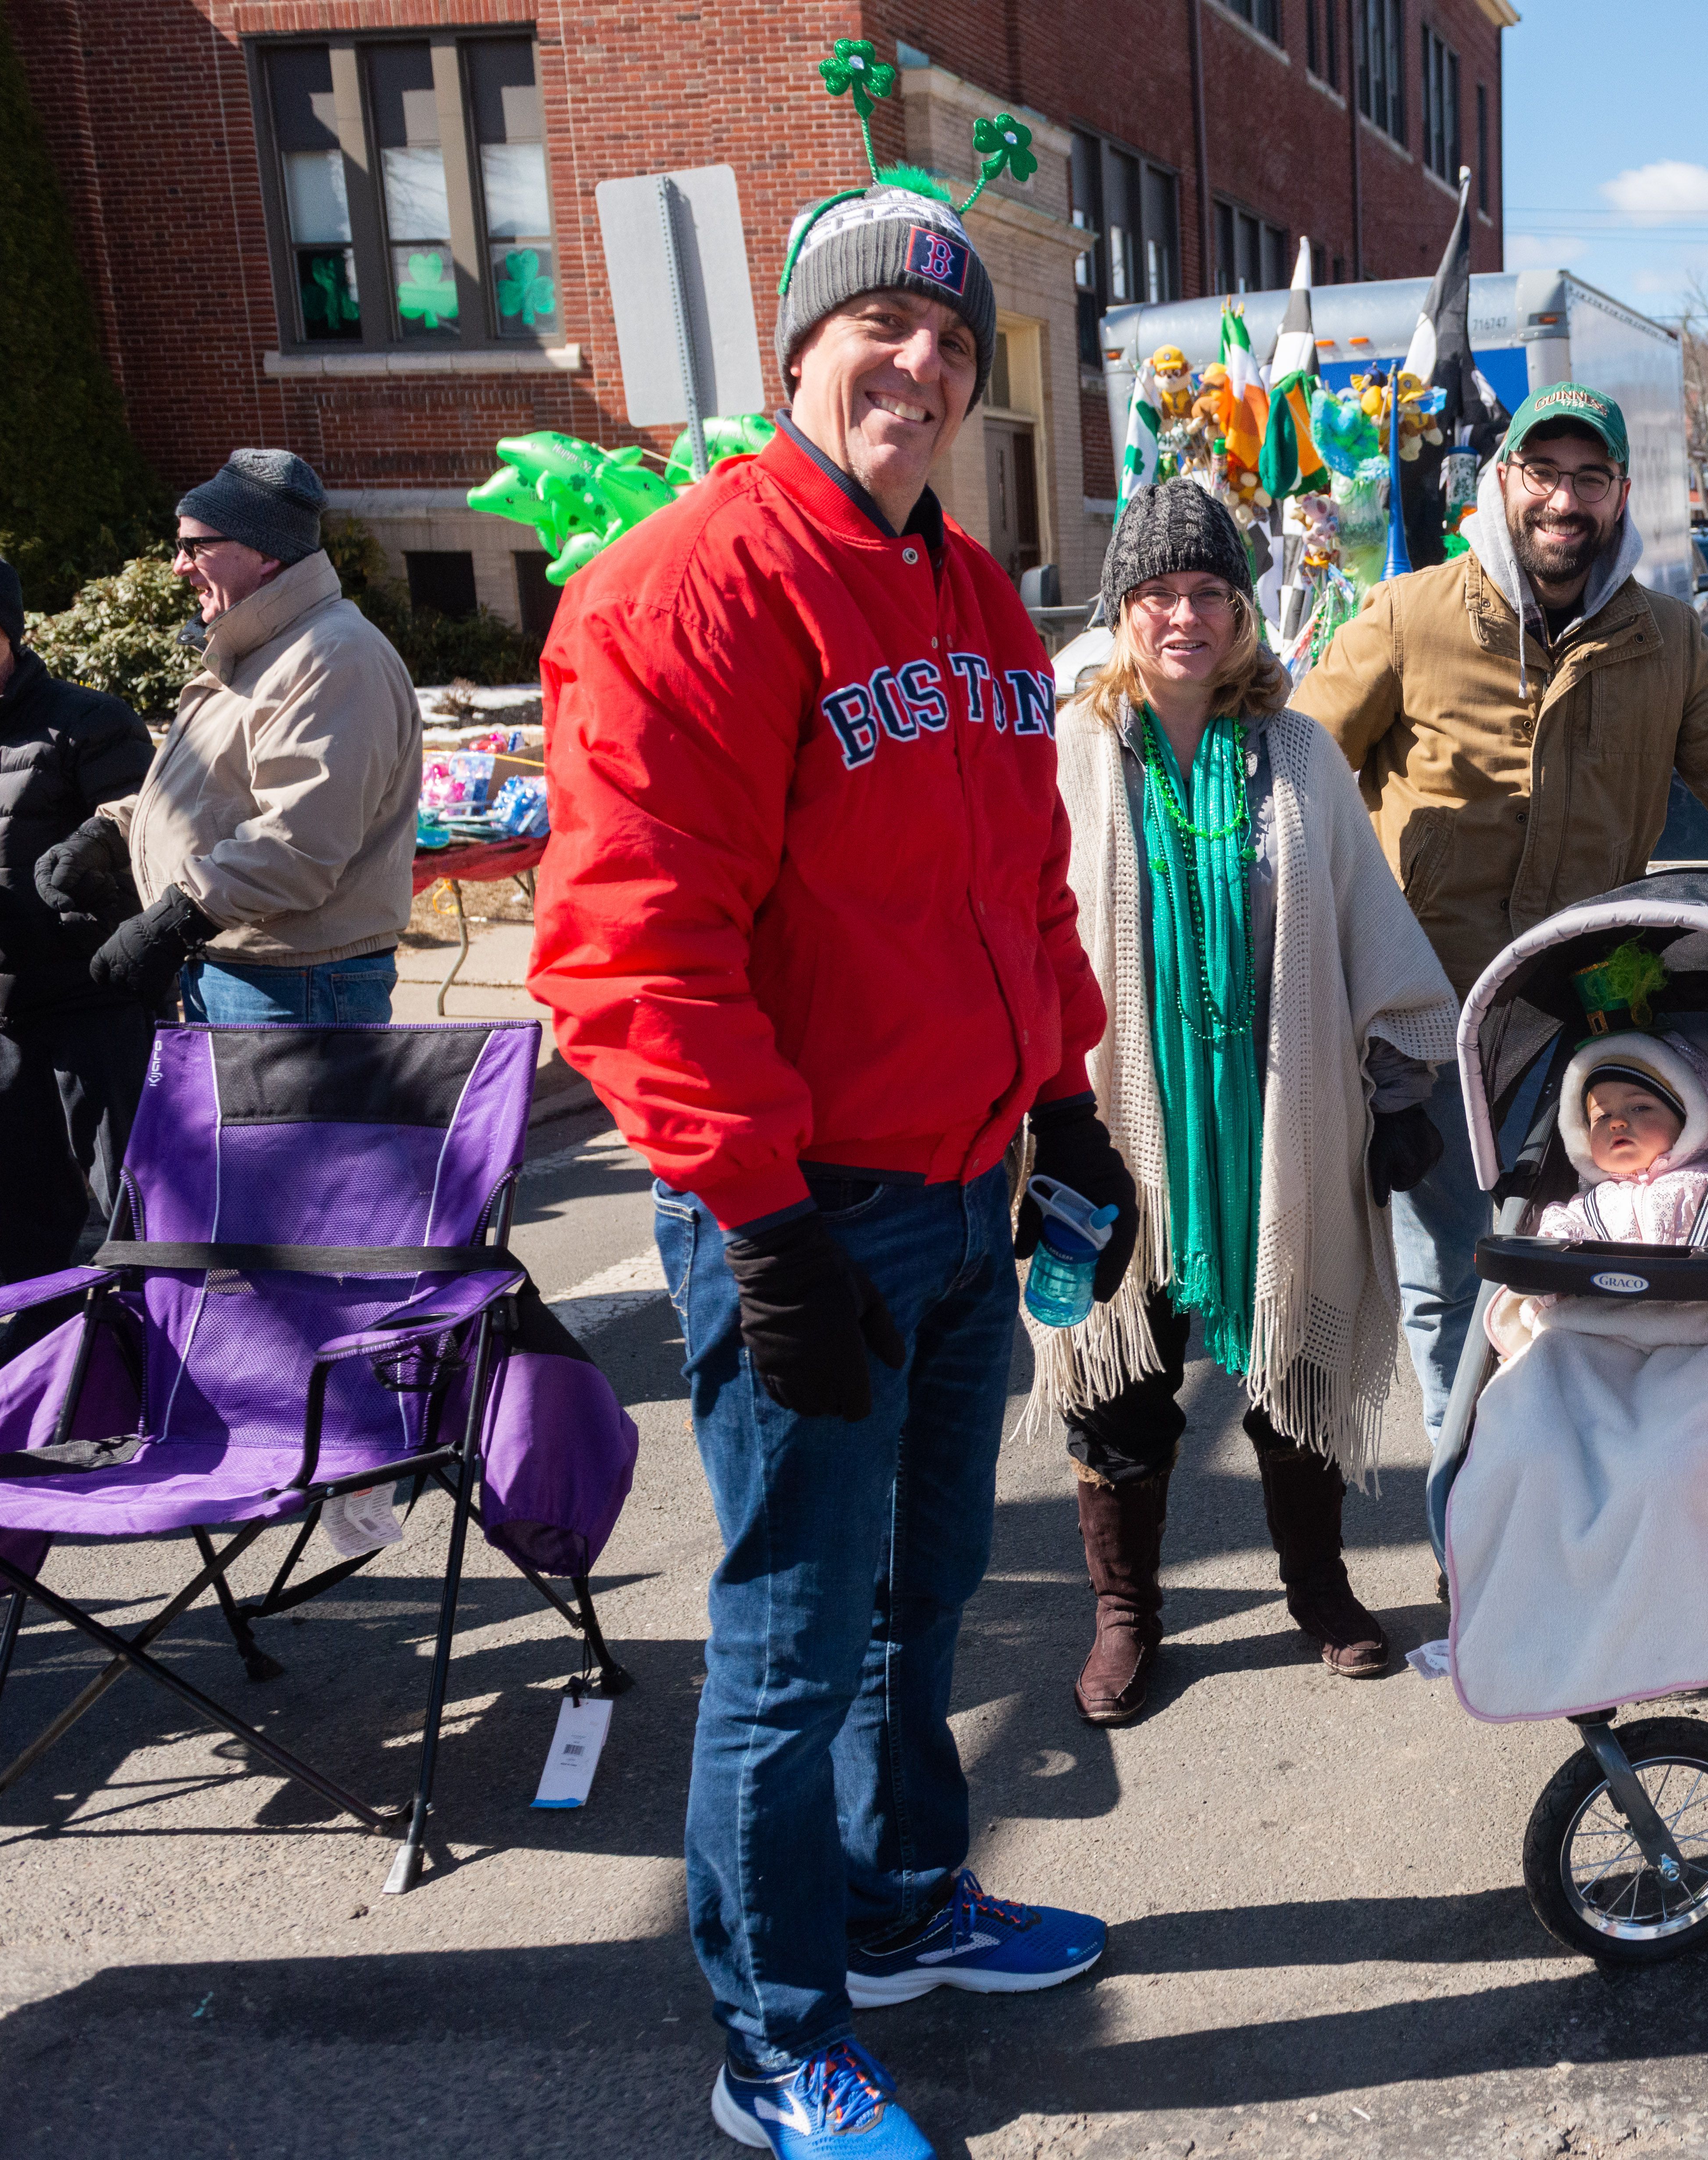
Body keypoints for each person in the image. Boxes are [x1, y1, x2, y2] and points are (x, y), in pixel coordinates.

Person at [528, 166, 1118, 2159]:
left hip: (962, 1196)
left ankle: (900, 1902)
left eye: (952, 342)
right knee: (787, 1640)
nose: (923, 366)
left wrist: (1066, 1102)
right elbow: (630, 952)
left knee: (925, 1592)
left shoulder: (969, 589)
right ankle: (774, 2031)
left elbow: (1023, 887)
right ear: (799, 350)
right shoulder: (685, 587)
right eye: (885, 328)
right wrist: (764, 1224)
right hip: (805, 1214)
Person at [1289, 380, 1708, 1449]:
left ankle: (1576, 1503)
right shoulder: (1407, 617)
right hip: (1422, 1029)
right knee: (1450, 1285)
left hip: (1583, 1023)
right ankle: (1471, 1537)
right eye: (1544, 472)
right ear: (1503, 482)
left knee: (1591, 1282)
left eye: (1590, 477)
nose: (1564, 498)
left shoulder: (1663, 641)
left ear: (1621, 493)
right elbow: (1294, 776)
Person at [1034, 478, 1459, 1726]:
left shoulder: (1300, 753)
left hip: (1283, 1107)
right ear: (1122, 611)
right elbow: (1018, 927)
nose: (1186, 616)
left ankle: (1319, 1589)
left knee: (1294, 1367)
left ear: (1244, 610)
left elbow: (1366, 924)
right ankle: (1126, 1616)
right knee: (1119, 1383)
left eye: (1210, 591)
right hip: (1117, 1113)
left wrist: (1394, 1085)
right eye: (1159, 593)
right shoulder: (1073, 752)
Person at [36, 452, 420, 1025]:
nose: (178, 567)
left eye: (194, 546)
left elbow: (298, 845)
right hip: (248, 970)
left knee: (293, 1124)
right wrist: (111, 830)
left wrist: (172, 923)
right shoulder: (261, 646)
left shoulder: (332, 656)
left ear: (266, 553)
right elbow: (220, 789)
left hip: (297, 985)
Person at [0, 551, 152, 1376]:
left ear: (8, 626)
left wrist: (87, 865)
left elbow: (146, 830)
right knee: (21, 1199)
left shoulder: (87, 720)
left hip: (90, 993)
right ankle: (39, 1348)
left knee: (122, 1192)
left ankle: (141, 1350)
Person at [1483, 1029, 1708, 1368]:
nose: (1617, 1123)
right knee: (1544, 1365)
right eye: (1601, 1117)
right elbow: (1556, 1237)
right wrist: (1554, 1264)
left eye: (1640, 1107)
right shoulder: (1588, 1207)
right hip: (1605, 1332)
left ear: (1690, 1117)